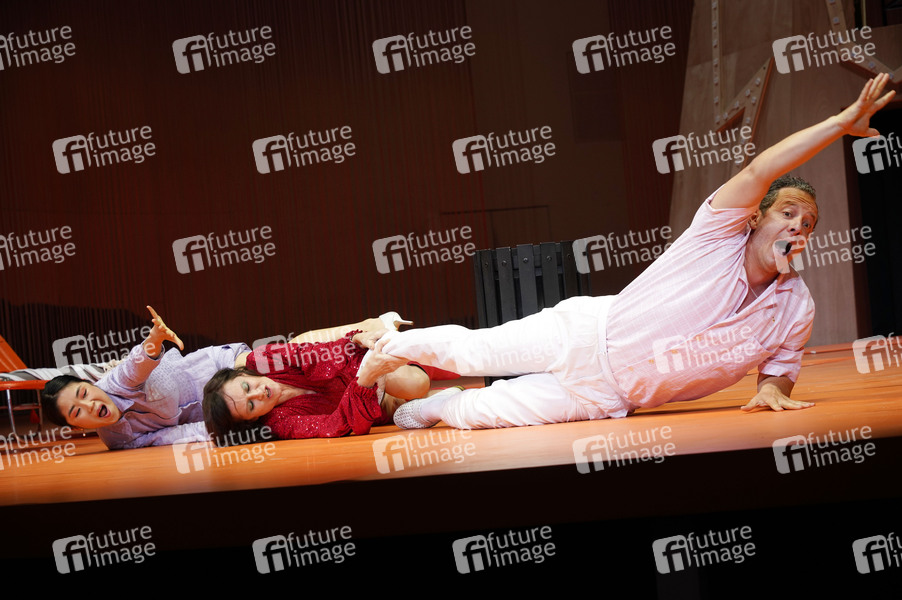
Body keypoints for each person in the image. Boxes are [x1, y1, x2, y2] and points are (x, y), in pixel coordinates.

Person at [354, 74, 895, 430]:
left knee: (481, 411)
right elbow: (760, 169)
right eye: (788, 212)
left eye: (808, 223)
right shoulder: (717, 234)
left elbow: (781, 365)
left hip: (609, 396)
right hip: (584, 333)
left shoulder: (795, 306)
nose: (798, 225)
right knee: (472, 354)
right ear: (757, 217)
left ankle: (428, 409)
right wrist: (838, 125)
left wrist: (774, 389)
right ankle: (389, 345)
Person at [39, 306, 412, 449]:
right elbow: (167, 436)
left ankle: (364, 330)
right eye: (77, 411)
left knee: (283, 355)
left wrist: (154, 340)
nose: (90, 404)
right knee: (402, 392)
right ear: (77, 426)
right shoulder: (118, 438)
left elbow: (134, 367)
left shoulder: (114, 384)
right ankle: (382, 392)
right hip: (225, 406)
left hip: (224, 369)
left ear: (90, 385)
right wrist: (218, 434)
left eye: (83, 394)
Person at [201, 330, 431, 445]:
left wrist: (355, 341)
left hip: (356, 365)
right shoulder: (277, 423)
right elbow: (333, 426)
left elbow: (314, 353)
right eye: (251, 405)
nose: (258, 393)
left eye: (246, 386)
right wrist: (365, 381)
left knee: (417, 383)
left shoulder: (263, 359)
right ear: (252, 419)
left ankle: (425, 358)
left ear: (242, 374)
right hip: (366, 401)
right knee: (418, 405)